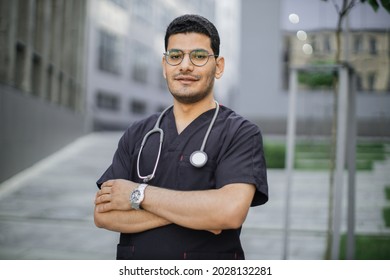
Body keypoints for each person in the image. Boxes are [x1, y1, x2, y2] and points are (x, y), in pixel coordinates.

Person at [94, 14, 268, 260]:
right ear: (165, 66)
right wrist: (200, 213)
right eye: (175, 56)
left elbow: (228, 212)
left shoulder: (240, 133)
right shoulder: (138, 133)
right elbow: (104, 215)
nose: (185, 65)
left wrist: (138, 195)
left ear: (218, 67)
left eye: (198, 56)